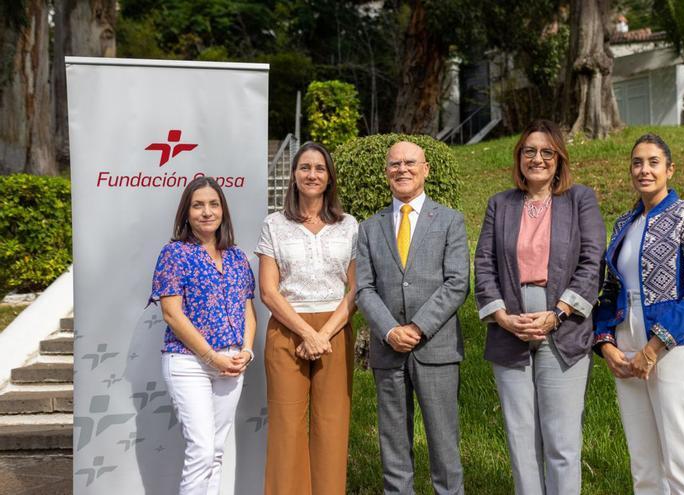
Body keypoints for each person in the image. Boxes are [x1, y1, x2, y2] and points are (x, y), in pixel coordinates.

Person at [474, 119, 606, 494]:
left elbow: (592, 260)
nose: (538, 159)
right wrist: (502, 317)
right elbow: (483, 263)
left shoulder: (580, 199)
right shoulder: (500, 204)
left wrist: (558, 313)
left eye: (547, 152)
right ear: (519, 158)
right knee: (520, 438)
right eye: (529, 151)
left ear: (559, 159)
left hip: (563, 329)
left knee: (561, 441)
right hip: (509, 329)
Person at [594, 133, 684, 494]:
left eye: (652, 162)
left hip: (675, 346)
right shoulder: (623, 225)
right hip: (626, 340)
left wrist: (653, 349)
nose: (643, 169)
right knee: (644, 461)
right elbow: (610, 291)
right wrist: (606, 345)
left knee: (682, 459)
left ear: (669, 170)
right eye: (637, 162)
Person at [356, 140, 470, 495]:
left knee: (444, 447)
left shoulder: (450, 221)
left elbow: (457, 283)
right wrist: (389, 330)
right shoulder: (369, 227)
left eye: (409, 163)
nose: (401, 169)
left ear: (425, 170)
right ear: (386, 172)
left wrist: (418, 327)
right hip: (388, 351)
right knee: (393, 449)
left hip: (436, 349)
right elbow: (364, 288)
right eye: (394, 164)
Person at [256, 142, 358, 495]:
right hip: (287, 330)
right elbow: (268, 291)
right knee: (287, 427)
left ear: (329, 177)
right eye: (304, 168)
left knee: (332, 425)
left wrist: (324, 334)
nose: (312, 174)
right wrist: (305, 332)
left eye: (319, 168)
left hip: (336, 328)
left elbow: (355, 290)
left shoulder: (349, 225)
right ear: (294, 175)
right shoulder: (274, 224)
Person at [150, 176, 257, 495]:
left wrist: (247, 350)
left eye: (213, 204)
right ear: (186, 213)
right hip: (188, 363)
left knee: (216, 451)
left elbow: (247, 309)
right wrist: (211, 356)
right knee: (202, 451)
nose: (207, 211)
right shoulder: (174, 253)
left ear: (223, 210)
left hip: (233, 363)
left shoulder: (237, 257)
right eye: (198, 205)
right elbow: (171, 313)